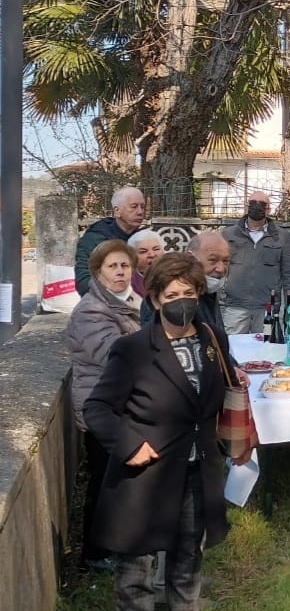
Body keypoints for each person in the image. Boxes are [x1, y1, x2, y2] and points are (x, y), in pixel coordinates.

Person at [84, 253, 249, 611]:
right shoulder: (133, 349)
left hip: (198, 472)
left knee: (188, 564)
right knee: (137, 574)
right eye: (171, 296)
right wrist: (129, 445)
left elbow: (212, 388)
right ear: (155, 299)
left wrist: (233, 380)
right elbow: (97, 409)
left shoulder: (213, 339)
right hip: (145, 474)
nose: (181, 303)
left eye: (187, 293)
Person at [66, 240, 142, 572]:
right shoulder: (91, 310)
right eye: (112, 266)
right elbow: (113, 352)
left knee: (118, 480)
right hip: (100, 407)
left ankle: (115, 544)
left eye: (125, 265)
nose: (120, 272)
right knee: (104, 482)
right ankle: (94, 554)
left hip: (120, 405)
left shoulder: (129, 302)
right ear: (98, 272)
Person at [221, 190, 290, 334]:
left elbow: (289, 272)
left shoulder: (281, 237)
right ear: (246, 206)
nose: (257, 207)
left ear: (269, 209)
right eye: (252, 203)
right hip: (235, 307)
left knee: (267, 348)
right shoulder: (228, 234)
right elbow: (219, 267)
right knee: (232, 349)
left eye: (262, 204)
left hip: (267, 308)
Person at [75, 186, 145, 295]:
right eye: (134, 207)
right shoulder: (95, 238)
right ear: (117, 211)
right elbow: (83, 281)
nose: (140, 212)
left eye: (142, 207)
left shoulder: (144, 238)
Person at [186, 231, 233, 331]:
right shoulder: (176, 295)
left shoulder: (208, 290)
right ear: (190, 258)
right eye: (212, 260)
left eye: (225, 261)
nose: (221, 269)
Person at [127, 230, 164, 299]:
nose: (152, 255)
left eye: (156, 249)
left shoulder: (174, 275)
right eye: (143, 252)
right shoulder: (128, 282)